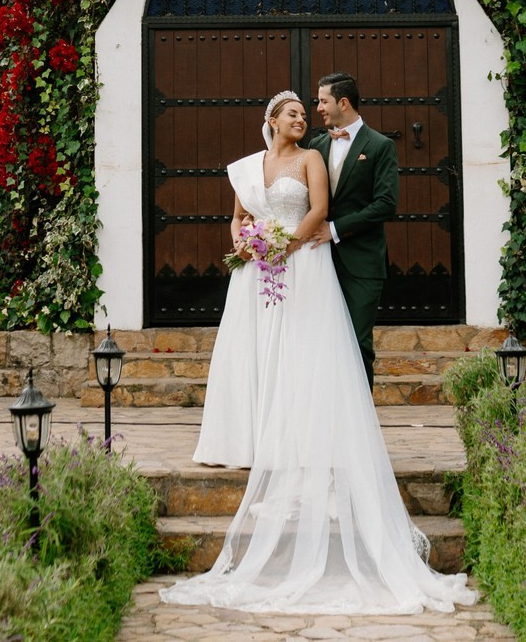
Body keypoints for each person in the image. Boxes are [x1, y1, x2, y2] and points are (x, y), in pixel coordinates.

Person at [164, 91, 475, 616]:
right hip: (255, 274)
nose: (302, 118)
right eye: (293, 113)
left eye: (306, 113)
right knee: (252, 352)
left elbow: (320, 211)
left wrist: (283, 245)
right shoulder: (249, 166)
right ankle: (245, 439)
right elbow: (238, 216)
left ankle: (296, 438)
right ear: (271, 120)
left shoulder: (311, 158)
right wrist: (245, 243)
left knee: (299, 352)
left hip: (301, 264)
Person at [309, 72, 396, 384]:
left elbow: (385, 204)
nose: (318, 107)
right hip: (319, 262)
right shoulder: (316, 146)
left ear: (343, 103)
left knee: (358, 345)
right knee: (322, 344)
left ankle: (362, 415)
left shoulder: (380, 145)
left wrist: (334, 229)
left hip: (362, 263)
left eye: (323, 101)